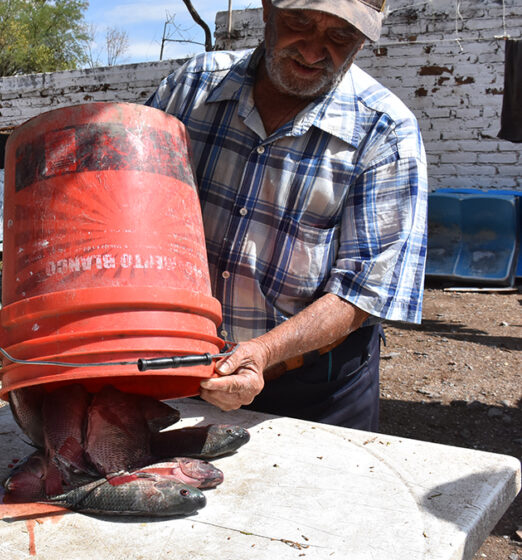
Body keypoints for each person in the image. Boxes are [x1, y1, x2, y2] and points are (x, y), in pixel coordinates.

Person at [146, 0, 428, 431]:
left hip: (314, 386)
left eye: (340, 37)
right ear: (266, 9)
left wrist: (260, 351)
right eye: (300, 22)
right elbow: (127, 205)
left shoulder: (386, 132)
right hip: (179, 363)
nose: (313, 52)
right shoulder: (191, 88)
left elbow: (364, 291)